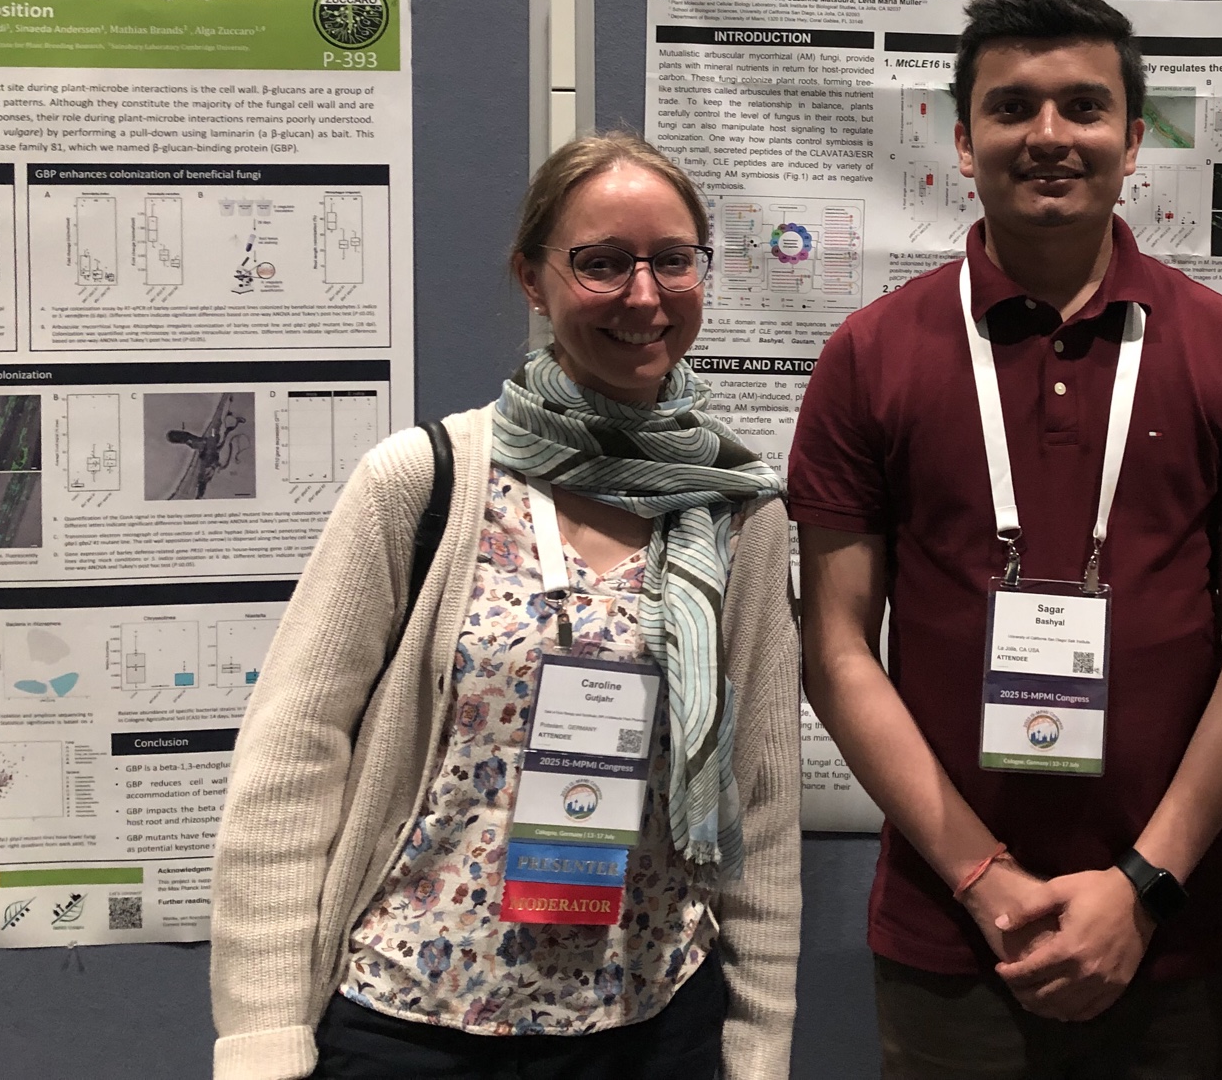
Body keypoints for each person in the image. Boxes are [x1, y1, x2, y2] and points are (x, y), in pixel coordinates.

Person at [792, 0, 1222, 1079]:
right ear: (961, 139)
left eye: (1083, 107)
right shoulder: (869, 354)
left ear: (1133, 141)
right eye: (1011, 107)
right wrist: (982, 879)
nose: (1047, 135)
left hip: (1177, 930)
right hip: (952, 934)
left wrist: (1142, 886)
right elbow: (837, 648)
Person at [210, 134, 800, 1080]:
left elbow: (761, 799)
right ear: (533, 278)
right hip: (412, 1022)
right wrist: (262, 1040)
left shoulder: (736, 509)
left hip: (650, 1026)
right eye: (601, 262)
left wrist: (758, 1046)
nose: (643, 295)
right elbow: (290, 760)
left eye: (672, 260)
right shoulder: (425, 482)